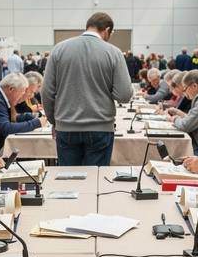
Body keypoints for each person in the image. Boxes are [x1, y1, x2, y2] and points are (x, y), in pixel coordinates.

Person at [41, 12, 133, 166]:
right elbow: (124, 95)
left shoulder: (59, 49)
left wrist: (54, 121)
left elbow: (46, 92)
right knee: (96, 177)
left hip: (66, 126)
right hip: (100, 127)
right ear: (107, 30)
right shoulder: (114, 52)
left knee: (68, 177)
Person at [0, 73, 47, 156]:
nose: (21, 98)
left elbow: (8, 119)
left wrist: (29, 117)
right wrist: (37, 123)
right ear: (11, 89)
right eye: (21, 94)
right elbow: (7, 129)